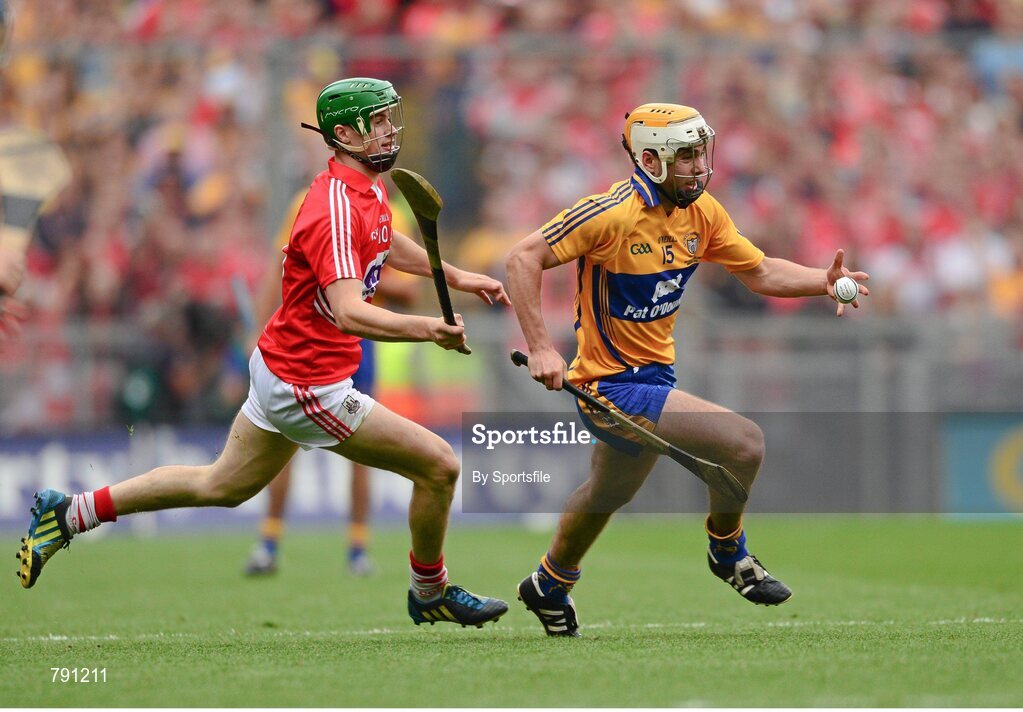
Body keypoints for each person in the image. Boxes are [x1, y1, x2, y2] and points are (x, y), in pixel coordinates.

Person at [18, 77, 512, 629]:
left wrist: (461, 277)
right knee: (440, 466)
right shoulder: (334, 208)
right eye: (377, 122)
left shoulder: (364, 190)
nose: (390, 130)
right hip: (309, 383)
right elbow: (349, 311)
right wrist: (429, 328)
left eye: (391, 117)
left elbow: (386, 241)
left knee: (220, 485)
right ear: (344, 135)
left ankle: (70, 512)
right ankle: (430, 591)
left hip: (285, 367)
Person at [505, 103, 869, 637]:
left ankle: (549, 584)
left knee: (607, 495)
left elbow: (762, 271)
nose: (701, 166)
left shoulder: (703, 214)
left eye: (702, 152)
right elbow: (521, 258)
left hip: (654, 381)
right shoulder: (609, 213)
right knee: (744, 444)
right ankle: (728, 551)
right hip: (610, 386)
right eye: (687, 156)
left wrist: (821, 280)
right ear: (650, 160)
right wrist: (539, 346)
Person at [244, 191, 418, 578]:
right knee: (283, 438)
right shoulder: (307, 202)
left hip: (361, 341)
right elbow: (281, 265)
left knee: (363, 449)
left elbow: (410, 291)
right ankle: (269, 542)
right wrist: (257, 327)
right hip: (307, 340)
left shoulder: (391, 216)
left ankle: (358, 548)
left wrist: (356, 277)